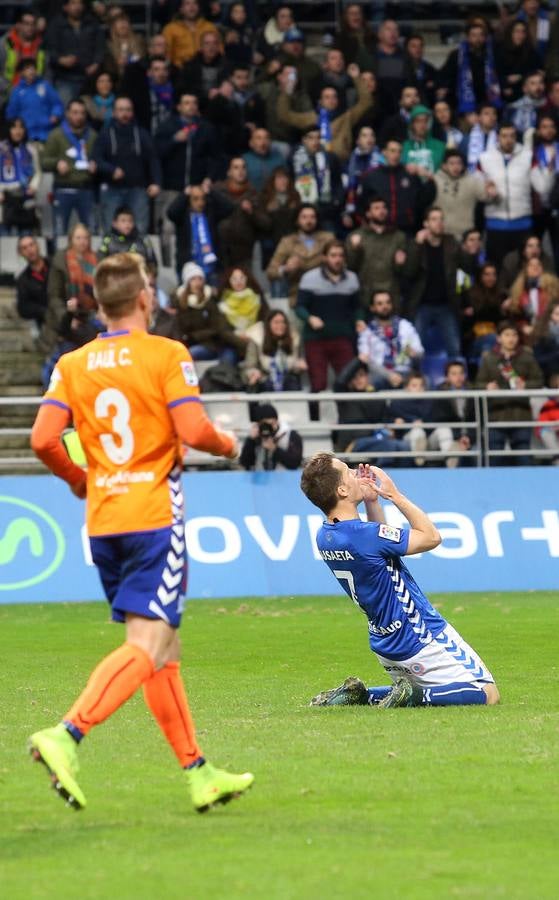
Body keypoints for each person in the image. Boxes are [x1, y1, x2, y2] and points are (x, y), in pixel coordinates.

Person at [29, 252, 253, 813]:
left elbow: (42, 439)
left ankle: (198, 773)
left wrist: (80, 481)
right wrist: (231, 444)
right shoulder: (166, 353)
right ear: (145, 298)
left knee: (164, 649)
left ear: (102, 305)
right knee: (146, 646)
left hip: (105, 520)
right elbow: (194, 429)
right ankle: (67, 734)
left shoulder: (72, 363)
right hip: (154, 517)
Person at [301, 455, 499, 707]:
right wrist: (394, 496)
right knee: (487, 692)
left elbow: (378, 550)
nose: (355, 472)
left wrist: (371, 502)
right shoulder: (366, 535)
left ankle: (365, 696)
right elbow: (431, 537)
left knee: (438, 689)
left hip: (385, 642)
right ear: (342, 490)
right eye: (348, 471)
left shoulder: (325, 536)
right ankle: (413, 696)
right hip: (418, 634)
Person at [295, 239, 364, 393]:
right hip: (316, 338)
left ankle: (346, 410)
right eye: (333, 255)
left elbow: (357, 307)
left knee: (347, 381)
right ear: (324, 257)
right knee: (318, 383)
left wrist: (359, 320)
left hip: (342, 337)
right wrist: (309, 318)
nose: (337, 259)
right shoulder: (309, 278)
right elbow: (299, 307)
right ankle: (314, 410)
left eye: (341, 255)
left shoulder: (352, 279)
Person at [479, 122, 552, 261]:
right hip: (495, 225)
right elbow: (477, 190)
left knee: (523, 269)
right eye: (504, 136)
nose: (508, 140)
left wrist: (548, 171)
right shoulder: (485, 159)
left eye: (512, 136)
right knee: (496, 269)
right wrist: (487, 191)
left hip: (522, 225)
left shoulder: (528, 157)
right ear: (497, 137)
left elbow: (542, 187)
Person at [476, 319, 544, 465]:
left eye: (514, 335)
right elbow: (477, 384)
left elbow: (539, 381)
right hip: (495, 416)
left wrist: (526, 385)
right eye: (507, 335)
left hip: (521, 415)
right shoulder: (489, 359)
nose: (511, 339)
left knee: (523, 459)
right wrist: (487, 387)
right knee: (494, 459)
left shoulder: (527, 357)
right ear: (499, 338)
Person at [93, 95, 161, 233]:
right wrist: (111, 170)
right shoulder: (105, 134)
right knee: (110, 229)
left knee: (140, 229)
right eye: (121, 110)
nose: (124, 113)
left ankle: (137, 249)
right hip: (111, 189)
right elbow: (96, 159)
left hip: (138, 189)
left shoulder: (142, 134)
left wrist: (156, 182)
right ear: (114, 112)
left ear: (133, 112)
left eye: (128, 110)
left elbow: (153, 159)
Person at [277, 64, 372, 162]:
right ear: (320, 101)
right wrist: (287, 91)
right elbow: (285, 115)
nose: (331, 100)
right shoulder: (310, 118)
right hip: (316, 163)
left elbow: (366, 102)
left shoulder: (346, 116)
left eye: (334, 97)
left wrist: (356, 78)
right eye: (327, 97)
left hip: (341, 162)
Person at [404, 206, 462, 358]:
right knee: (414, 350)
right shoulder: (416, 244)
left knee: (455, 349)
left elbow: (464, 269)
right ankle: (414, 374)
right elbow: (409, 272)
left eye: (441, 219)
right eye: (434, 219)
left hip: (446, 304)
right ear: (426, 223)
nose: (439, 223)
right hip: (422, 304)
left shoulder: (451, 243)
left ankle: (457, 374)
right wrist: (417, 245)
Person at [41, 222, 99, 359]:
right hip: (66, 316)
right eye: (78, 238)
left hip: (91, 315)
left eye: (85, 238)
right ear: (71, 239)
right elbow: (54, 295)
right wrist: (67, 318)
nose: (82, 242)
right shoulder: (60, 260)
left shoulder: (97, 259)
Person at [41, 98, 97, 237]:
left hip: (86, 188)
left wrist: (96, 164)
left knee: (92, 231)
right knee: (60, 231)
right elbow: (44, 162)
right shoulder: (56, 135)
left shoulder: (92, 136)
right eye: (75, 112)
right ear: (67, 113)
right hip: (63, 188)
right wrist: (56, 163)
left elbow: (100, 159)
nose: (79, 116)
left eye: (82, 113)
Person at [170, 261, 244, 364]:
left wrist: (194, 336)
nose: (197, 282)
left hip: (215, 343)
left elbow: (217, 327)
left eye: (200, 279)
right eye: (193, 279)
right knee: (186, 354)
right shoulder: (181, 304)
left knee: (227, 358)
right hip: (194, 344)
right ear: (188, 282)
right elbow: (178, 329)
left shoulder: (210, 299)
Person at [360, 139, 436, 236]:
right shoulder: (371, 176)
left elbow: (424, 199)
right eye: (392, 151)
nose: (396, 155)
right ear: (384, 152)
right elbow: (363, 203)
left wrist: (428, 177)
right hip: (380, 230)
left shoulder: (409, 173)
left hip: (407, 230)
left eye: (399, 152)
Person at [266, 203, 334, 305]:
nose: (309, 221)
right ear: (297, 220)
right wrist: (286, 268)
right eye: (304, 217)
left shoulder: (328, 238)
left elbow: (343, 263)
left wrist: (328, 262)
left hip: (324, 288)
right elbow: (271, 271)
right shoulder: (287, 242)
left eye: (312, 217)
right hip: (297, 291)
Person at [345, 198, 407, 309]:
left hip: (391, 295)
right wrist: (355, 250)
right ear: (368, 213)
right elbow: (350, 267)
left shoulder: (398, 237)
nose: (381, 211)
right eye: (376, 208)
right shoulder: (356, 236)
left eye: (384, 208)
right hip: (365, 294)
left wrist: (400, 264)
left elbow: (406, 272)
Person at [358, 290, 423, 389]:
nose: (385, 306)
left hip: (405, 372)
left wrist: (415, 354)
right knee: (368, 384)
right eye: (380, 304)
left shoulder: (405, 326)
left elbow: (420, 353)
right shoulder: (367, 331)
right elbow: (365, 360)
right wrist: (389, 375)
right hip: (379, 374)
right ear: (372, 308)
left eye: (388, 302)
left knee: (421, 382)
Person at [167, 182, 233, 280]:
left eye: (203, 198)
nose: (200, 203)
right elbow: (171, 213)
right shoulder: (182, 216)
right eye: (195, 199)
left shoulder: (210, 214)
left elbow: (229, 207)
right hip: (189, 268)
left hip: (212, 268)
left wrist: (211, 192)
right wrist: (184, 195)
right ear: (189, 200)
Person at [45, 0, 105, 107]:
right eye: (73, 3)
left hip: (89, 79)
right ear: (65, 7)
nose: (77, 7)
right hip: (64, 78)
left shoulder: (92, 23)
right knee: (65, 110)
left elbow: (100, 47)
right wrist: (60, 60)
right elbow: (50, 49)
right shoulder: (56, 25)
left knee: (92, 112)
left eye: (79, 3)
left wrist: (96, 63)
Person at [438, 19, 502, 115]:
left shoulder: (493, 55)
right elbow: (445, 75)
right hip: (463, 103)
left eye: (481, 35)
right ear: (467, 37)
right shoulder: (457, 55)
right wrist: (443, 87)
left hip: (488, 102)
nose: (478, 39)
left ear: (485, 38)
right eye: (474, 35)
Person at [434, 149, 495, 241]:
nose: (456, 167)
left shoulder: (472, 181)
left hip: (466, 237)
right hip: (441, 235)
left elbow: (488, 198)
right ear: (444, 165)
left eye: (459, 163)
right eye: (452, 163)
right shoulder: (435, 181)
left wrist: (492, 193)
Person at [291, 126, 343, 233]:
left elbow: (338, 182)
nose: (315, 141)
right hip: (303, 210)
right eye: (311, 138)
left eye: (318, 138)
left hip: (327, 210)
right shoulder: (295, 159)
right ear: (304, 140)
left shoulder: (330, 158)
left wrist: (335, 203)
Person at [241, 309, 306, 392]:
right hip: (265, 378)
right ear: (268, 324)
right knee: (267, 385)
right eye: (276, 322)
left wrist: (299, 366)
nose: (280, 325)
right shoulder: (257, 339)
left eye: (283, 322)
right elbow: (250, 366)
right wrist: (253, 373)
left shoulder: (293, 338)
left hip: (287, 379)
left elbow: (295, 367)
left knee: (292, 383)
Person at [5, 58, 63, 143]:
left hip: (46, 133)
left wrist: (55, 114)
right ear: (21, 73)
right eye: (28, 68)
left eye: (33, 68)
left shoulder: (45, 86)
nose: (31, 71)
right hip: (26, 136)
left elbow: (57, 103)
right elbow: (12, 114)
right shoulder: (17, 92)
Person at [0, 117, 41, 234]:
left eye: (21, 127)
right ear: (8, 129)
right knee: (5, 236)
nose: (18, 131)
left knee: (26, 234)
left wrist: (33, 186)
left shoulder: (30, 149)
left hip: (25, 196)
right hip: (5, 197)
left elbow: (38, 172)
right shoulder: (1, 148)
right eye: (14, 127)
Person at [240, 402, 303, 471]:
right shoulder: (255, 436)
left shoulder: (291, 435)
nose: (267, 429)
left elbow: (295, 463)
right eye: (264, 425)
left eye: (271, 424)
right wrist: (250, 441)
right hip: (260, 476)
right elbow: (245, 463)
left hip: (284, 476)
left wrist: (274, 449)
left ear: (277, 421)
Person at [0, 9, 46, 104]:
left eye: (33, 24)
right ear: (18, 25)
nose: (30, 27)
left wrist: (40, 91)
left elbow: (47, 73)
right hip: (6, 94)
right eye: (26, 24)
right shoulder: (4, 44)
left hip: (35, 94)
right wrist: (10, 90)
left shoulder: (41, 45)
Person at [162, 0, 220, 68]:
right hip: (179, 69)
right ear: (181, 9)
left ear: (199, 7)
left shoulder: (209, 27)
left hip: (207, 68)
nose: (192, 7)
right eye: (187, 3)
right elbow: (166, 54)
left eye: (195, 3)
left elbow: (220, 50)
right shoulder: (170, 29)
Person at [15, 235, 50, 331]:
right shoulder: (22, 280)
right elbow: (23, 308)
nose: (29, 250)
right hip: (45, 324)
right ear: (20, 253)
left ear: (37, 246)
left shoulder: (55, 266)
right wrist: (43, 311)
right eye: (24, 248)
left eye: (31, 245)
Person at [401, 104, 446, 176]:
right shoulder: (404, 146)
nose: (422, 124)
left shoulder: (440, 146)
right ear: (412, 124)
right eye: (418, 121)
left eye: (425, 121)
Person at [242, 128, 285, 193]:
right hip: (252, 196)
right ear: (251, 143)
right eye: (258, 138)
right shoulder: (244, 160)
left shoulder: (279, 158)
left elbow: (286, 180)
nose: (263, 142)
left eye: (266, 138)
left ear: (270, 142)